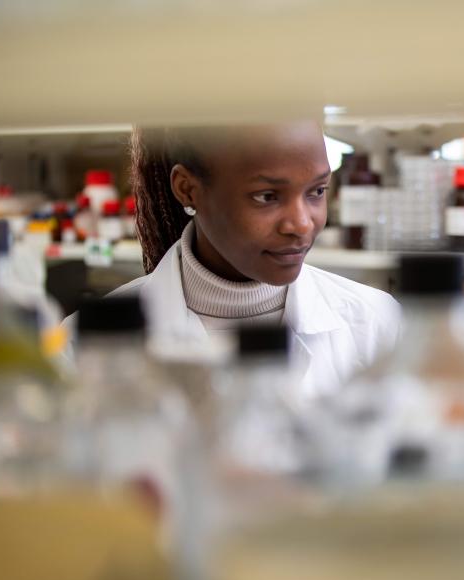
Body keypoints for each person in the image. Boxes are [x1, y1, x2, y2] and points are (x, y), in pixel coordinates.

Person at [67, 122, 400, 400]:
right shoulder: (81, 348)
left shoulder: (376, 324)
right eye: (267, 196)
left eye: (317, 191)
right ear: (187, 189)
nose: (301, 224)